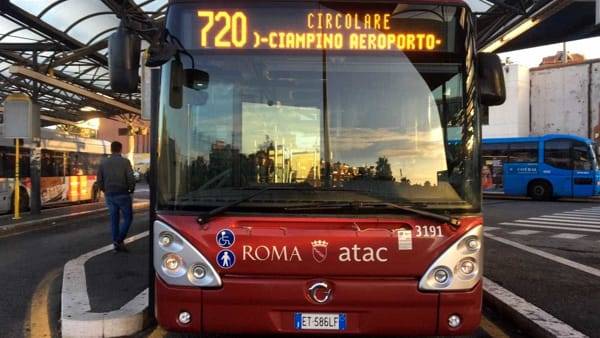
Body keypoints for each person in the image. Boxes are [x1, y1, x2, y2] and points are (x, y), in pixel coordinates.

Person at [97, 141, 136, 252]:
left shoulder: (103, 162)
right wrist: (131, 188)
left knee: (114, 219)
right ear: (120, 149)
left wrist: (104, 190)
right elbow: (130, 178)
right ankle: (119, 240)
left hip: (109, 194)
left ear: (111, 149)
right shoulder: (125, 162)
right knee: (128, 218)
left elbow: (99, 179)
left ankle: (116, 243)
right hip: (122, 193)